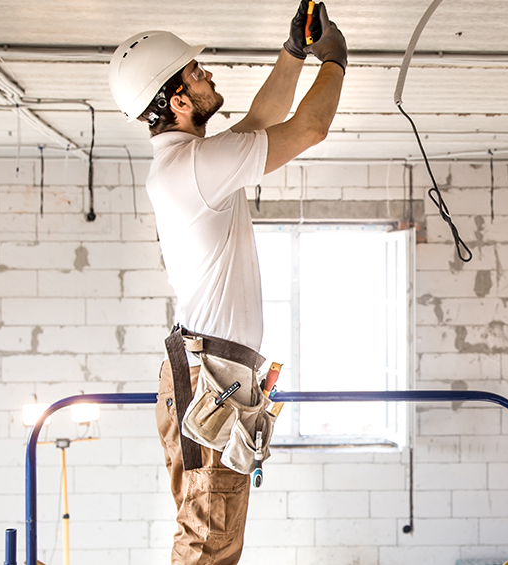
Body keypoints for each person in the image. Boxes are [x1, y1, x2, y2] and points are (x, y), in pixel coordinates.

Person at [107, 2, 346, 563]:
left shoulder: (191, 160)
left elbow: (261, 121)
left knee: (210, 536)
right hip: (210, 380)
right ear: (179, 100)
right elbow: (309, 128)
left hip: (210, 375)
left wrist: (294, 52)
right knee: (209, 542)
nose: (207, 73)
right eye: (195, 72)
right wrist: (335, 61)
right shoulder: (191, 167)